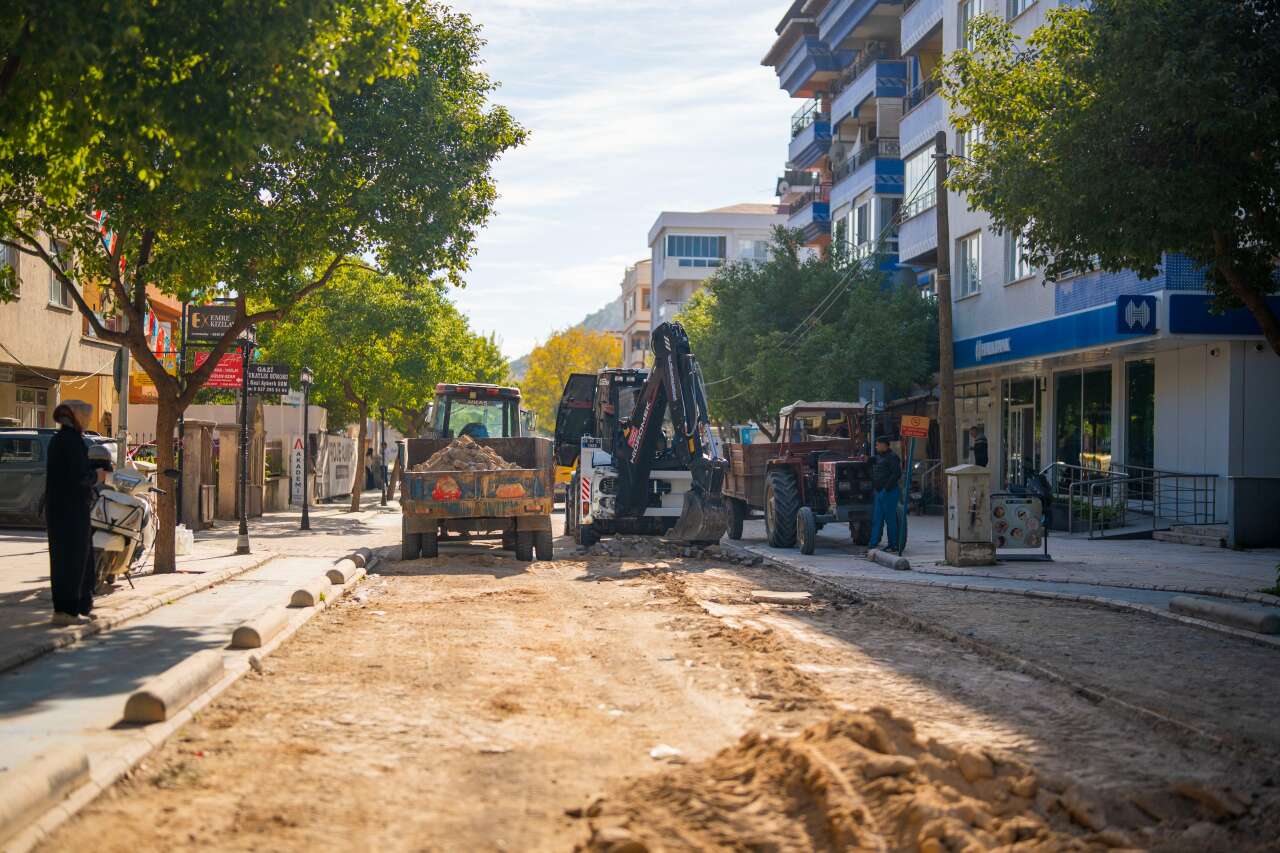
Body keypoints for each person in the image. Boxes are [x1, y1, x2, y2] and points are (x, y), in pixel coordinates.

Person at [45, 403, 105, 625]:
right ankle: (67, 611)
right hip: (70, 510)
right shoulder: (70, 442)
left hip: (64, 509)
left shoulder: (60, 440)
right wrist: (96, 477)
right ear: (77, 417)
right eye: (86, 417)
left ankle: (77, 606)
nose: (89, 421)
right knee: (71, 560)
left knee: (76, 558)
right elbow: (78, 477)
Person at [868, 436, 902, 550]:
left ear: (884, 445)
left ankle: (893, 544)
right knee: (877, 519)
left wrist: (886, 488)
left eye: (878, 444)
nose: (876, 446)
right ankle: (872, 545)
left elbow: (896, 473)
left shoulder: (892, 457)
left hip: (889, 492)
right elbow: (871, 460)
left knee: (890, 519)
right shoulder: (878, 457)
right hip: (878, 492)